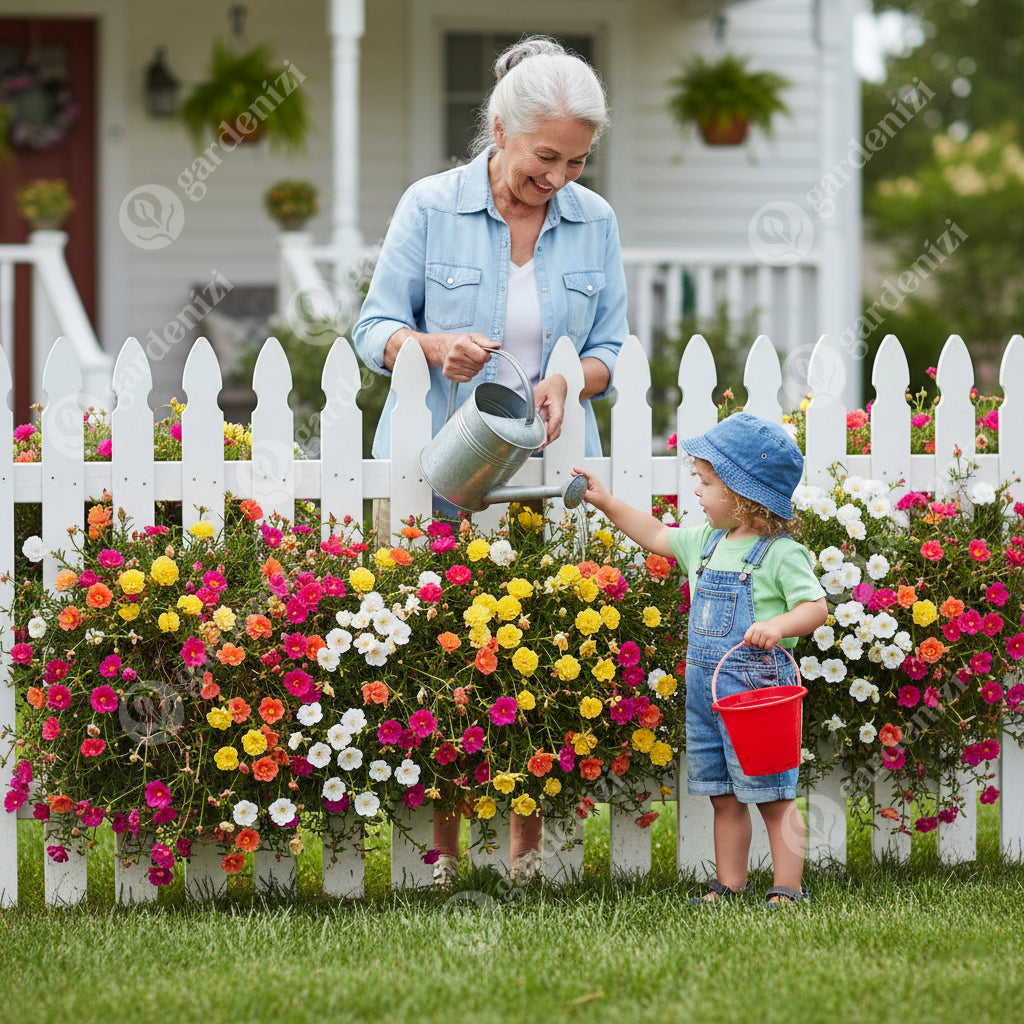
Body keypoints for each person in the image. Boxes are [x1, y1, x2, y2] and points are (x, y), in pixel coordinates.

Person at [352, 36, 628, 885]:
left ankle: (527, 852)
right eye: (546, 157)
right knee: (447, 657)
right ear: (501, 129)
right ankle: (446, 852)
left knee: (542, 653)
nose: (561, 178)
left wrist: (568, 377)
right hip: (442, 466)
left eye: (577, 161)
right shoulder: (429, 207)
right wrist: (431, 348)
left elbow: (612, 347)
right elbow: (372, 331)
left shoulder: (595, 222)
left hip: (545, 471)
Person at [572, 413, 828, 906]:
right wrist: (605, 503)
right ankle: (729, 885)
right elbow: (653, 533)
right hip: (709, 697)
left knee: (774, 795)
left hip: (759, 699)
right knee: (723, 795)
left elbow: (815, 607)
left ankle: (788, 889)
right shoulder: (705, 544)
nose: (698, 492)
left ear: (741, 492)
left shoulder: (780, 554)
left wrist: (777, 627)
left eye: (706, 482)